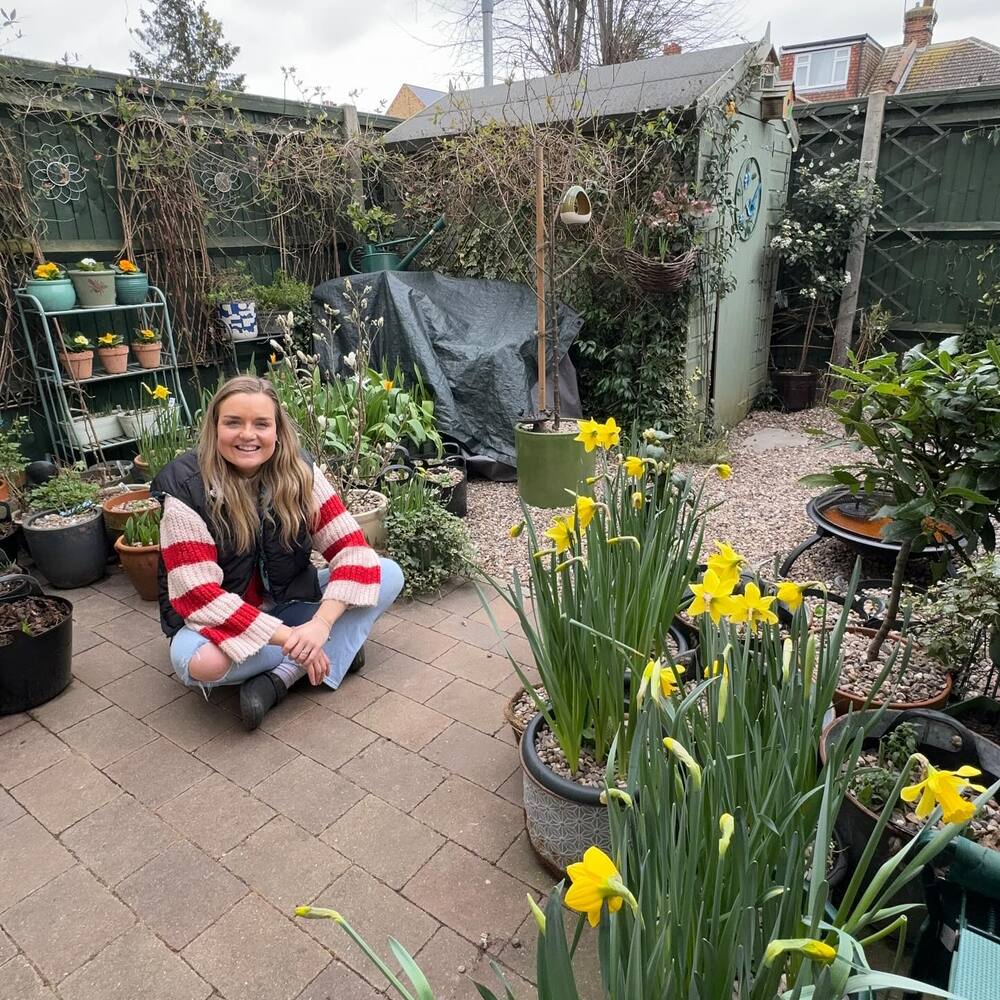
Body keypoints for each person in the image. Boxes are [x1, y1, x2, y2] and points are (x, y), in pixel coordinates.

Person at [152, 375, 403, 730]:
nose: (248, 435)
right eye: (233, 422)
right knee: (195, 662)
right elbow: (199, 597)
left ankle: (281, 677)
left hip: (290, 600)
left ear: (277, 430)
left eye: (261, 424)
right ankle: (331, 651)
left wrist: (321, 624)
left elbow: (352, 549)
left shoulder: (300, 473)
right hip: (222, 615)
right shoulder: (184, 488)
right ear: (214, 426)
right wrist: (295, 638)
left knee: (387, 572)